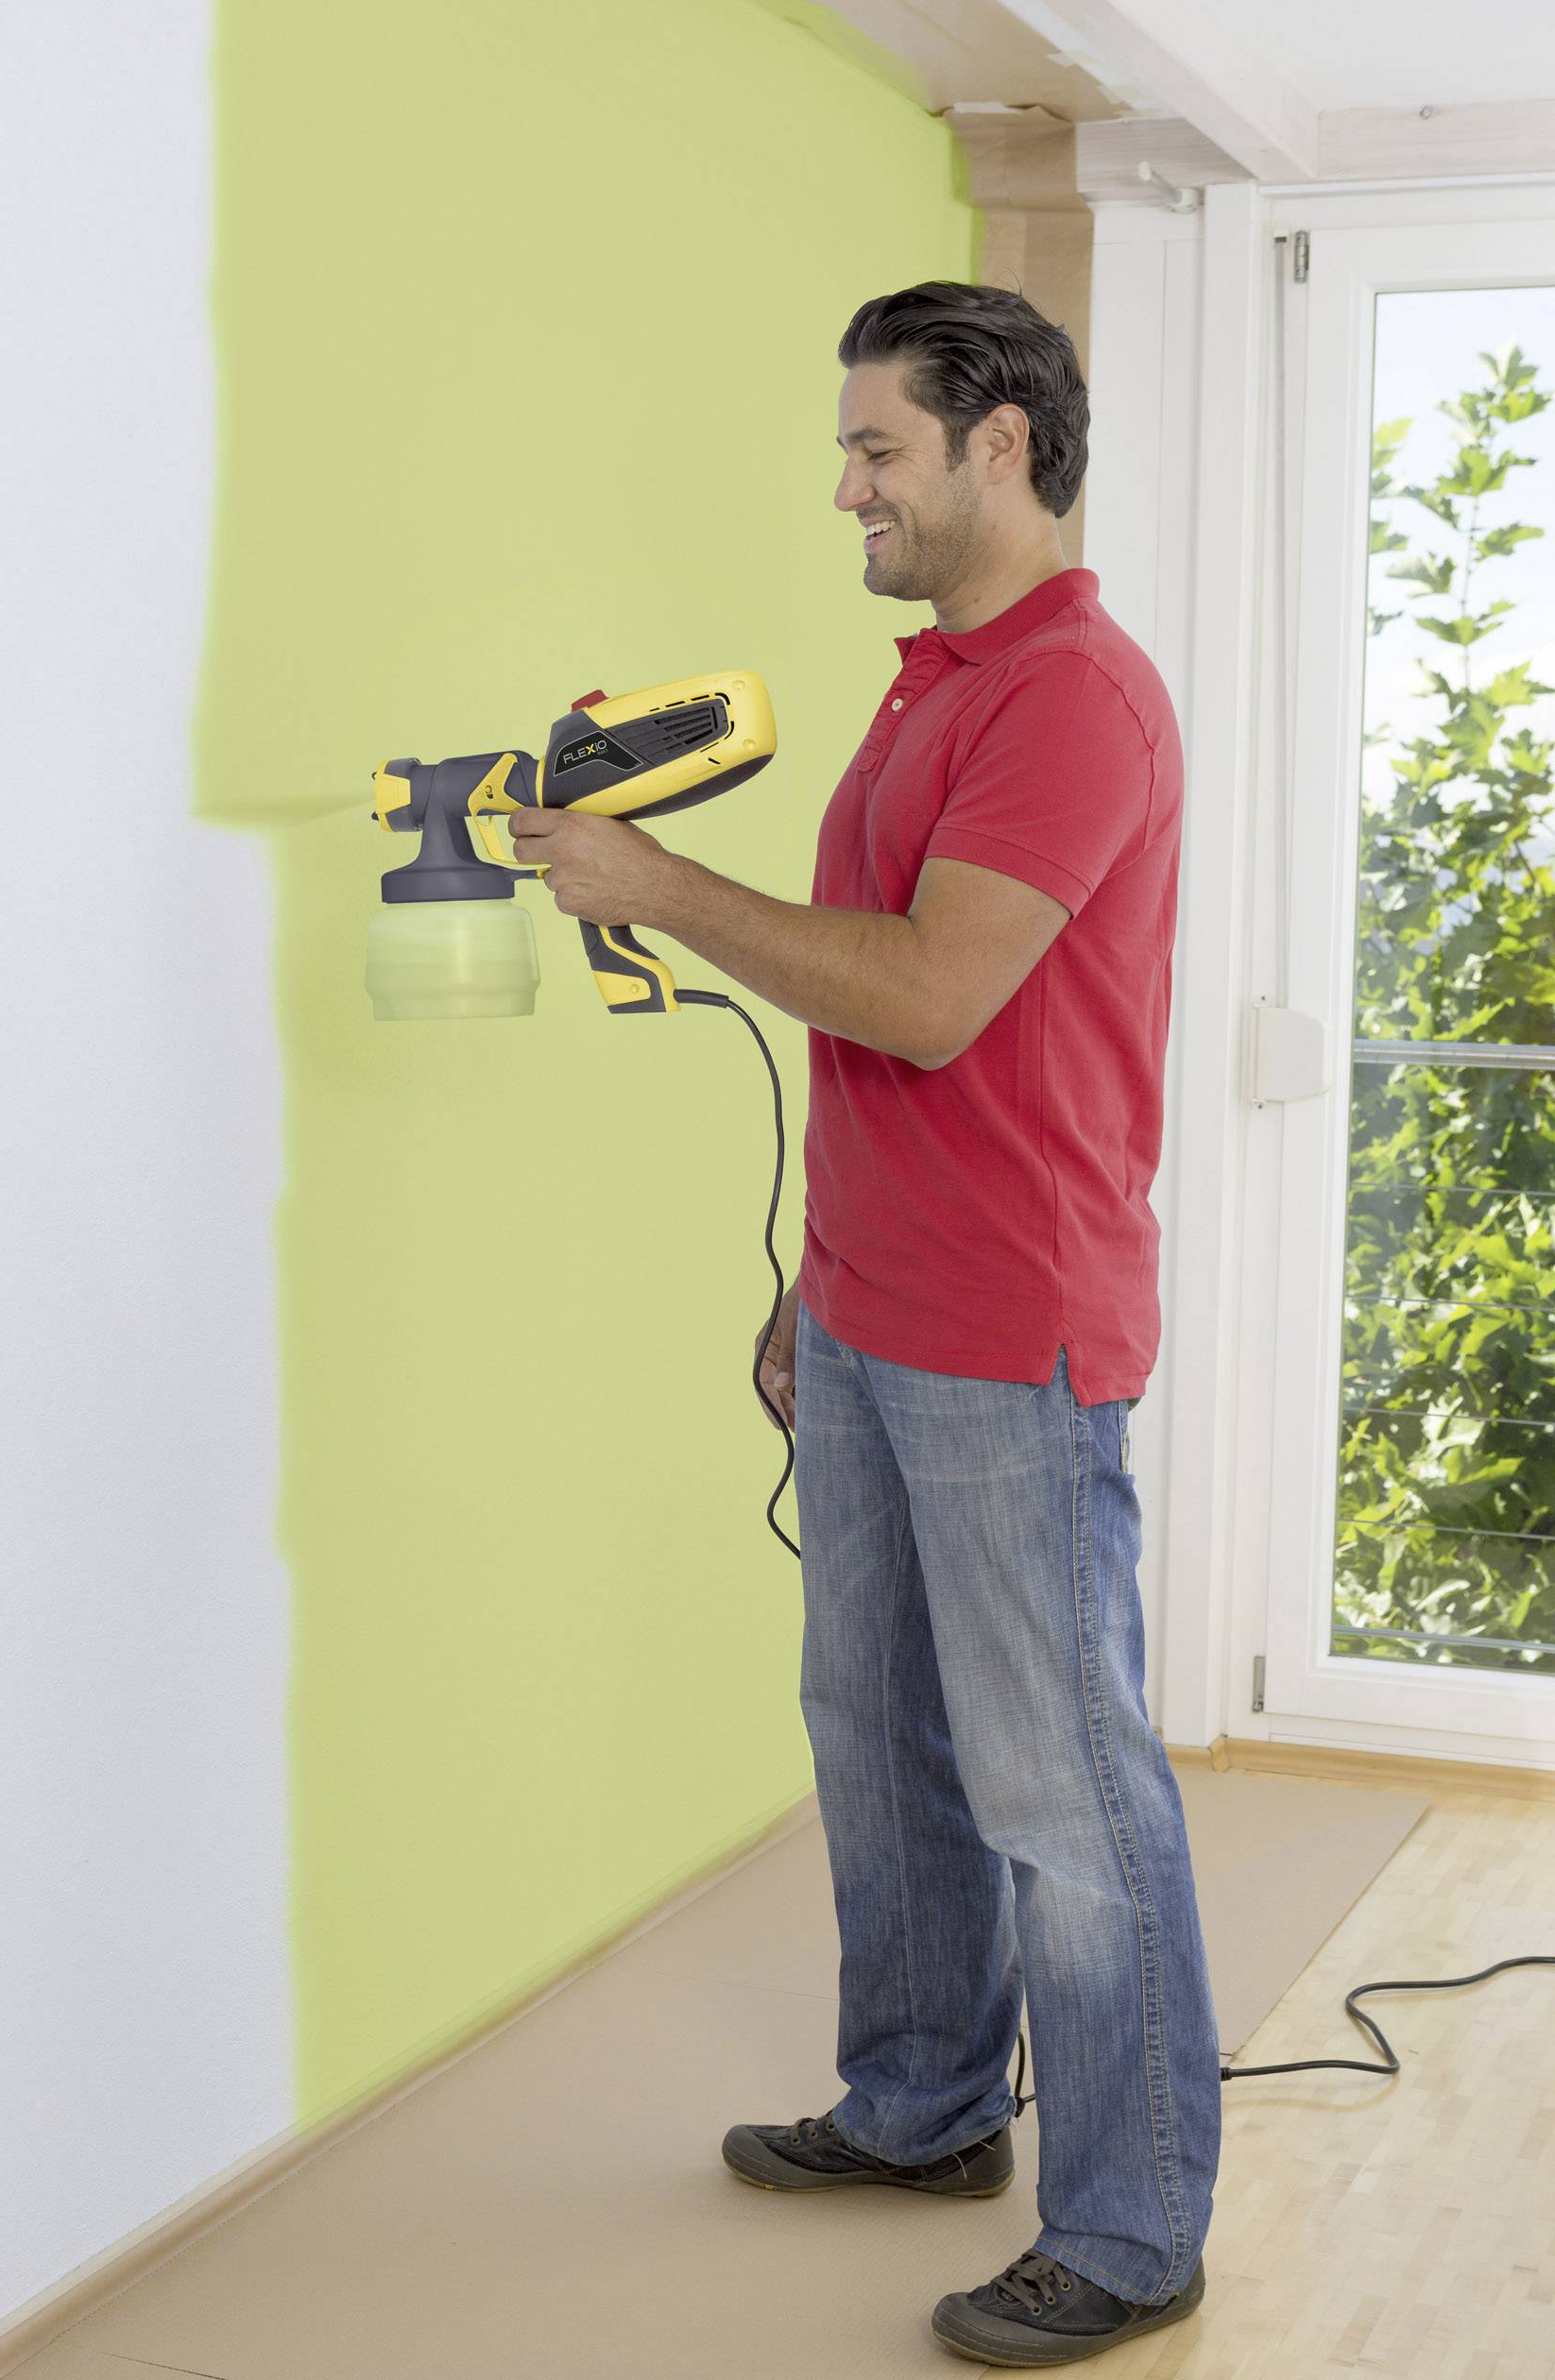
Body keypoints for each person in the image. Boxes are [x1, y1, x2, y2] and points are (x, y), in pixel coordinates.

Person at [725, 280, 1222, 2368]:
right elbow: (878, 1024)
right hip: (872, 1311)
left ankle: (1126, 2226)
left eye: (878, 451)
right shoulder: (930, 684)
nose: (849, 485)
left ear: (998, 443)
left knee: (1062, 1785)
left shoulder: (1073, 702)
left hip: (1010, 1332)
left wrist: (659, 890)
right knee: (874, 1725)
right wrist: (806, 1282)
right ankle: (925, 2105)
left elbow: (928, 995)